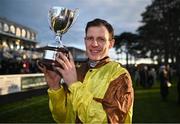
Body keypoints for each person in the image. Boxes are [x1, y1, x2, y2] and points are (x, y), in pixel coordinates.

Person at [38, 18, 134, 123]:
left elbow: (108, 121)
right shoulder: (77, 71)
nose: (94, 44)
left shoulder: (120, 75)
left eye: (101, 39)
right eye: (90, 38)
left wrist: (74, 85)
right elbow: (62, 118)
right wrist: (55, 88)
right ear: (85, 41)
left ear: (111, 43)